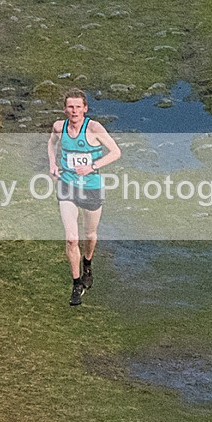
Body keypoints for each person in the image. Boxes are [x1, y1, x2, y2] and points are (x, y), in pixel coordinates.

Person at [47, 88, 121, 306]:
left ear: (85, 109)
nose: (74, 111)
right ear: (65, 109)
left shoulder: (94, 128)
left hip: (91, 188)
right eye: (70, 107)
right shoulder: (59, 127)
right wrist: (52, 163)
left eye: (78, 107)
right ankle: (76, 283)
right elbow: (51, 144)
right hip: (67, 186)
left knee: (90, 234)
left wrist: (93, 166)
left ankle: (87, 262)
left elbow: (116, 152)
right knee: (71, 238)